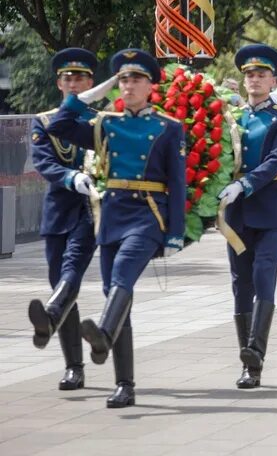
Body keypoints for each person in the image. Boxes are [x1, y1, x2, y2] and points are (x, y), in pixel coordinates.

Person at [46, 49, 185, 408]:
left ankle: (104, 333)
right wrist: (87, 97)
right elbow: (59, 127)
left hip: (148, 214)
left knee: (122, 276)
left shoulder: (168, 127)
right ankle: (125, 384)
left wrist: (175, 233)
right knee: (114, 293)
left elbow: (178, 182)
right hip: (112, 215)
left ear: (150, 85)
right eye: (123, 79)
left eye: (136, 79)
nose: (128, 85)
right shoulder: (106, 122)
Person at [217, 44, 277, 389]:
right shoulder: (232, 119)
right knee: (240, 283)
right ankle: (247, 361)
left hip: (271, 208)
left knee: (264, 272)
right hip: (237, 214)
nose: (254, 80)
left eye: (261, 75)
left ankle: (256, 354)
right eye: (249, 74)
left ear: (272, 81)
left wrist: (245, 185)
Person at [27, 48, 98, 391]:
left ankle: (51, 318)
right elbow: (44, 162)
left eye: (80, 78)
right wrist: (71, 178)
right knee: (59, 280)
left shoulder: (101, 119)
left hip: (90, 211)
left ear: (90, 82)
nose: (73, 83)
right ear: (58, 83)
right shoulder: (43, 120)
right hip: (58, 210)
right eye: (67, 78)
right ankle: (73, 366)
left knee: (71, 271)